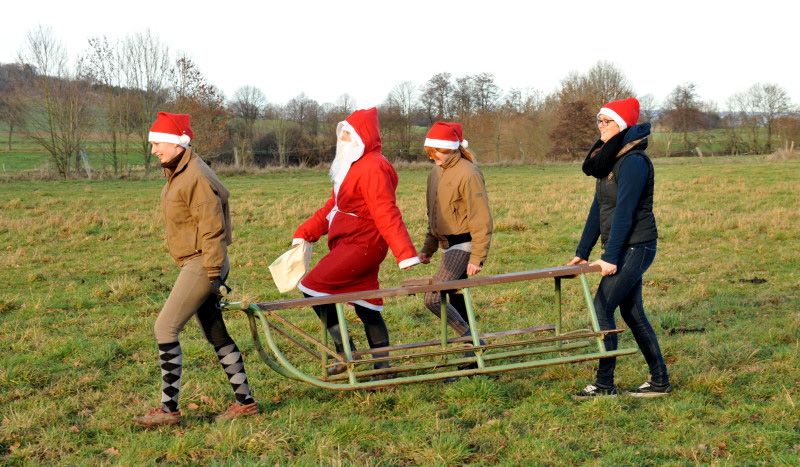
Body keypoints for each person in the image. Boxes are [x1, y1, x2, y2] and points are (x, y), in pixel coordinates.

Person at [133, 112, 258, 428]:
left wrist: (214, 274)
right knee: (215, 331)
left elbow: (212, 228)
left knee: (164, 328)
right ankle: (245, 402)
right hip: (201, 261)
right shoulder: (180, 171)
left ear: (177, 143)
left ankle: (168, 409)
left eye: (158, 143)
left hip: (203, 262)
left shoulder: (195, 176)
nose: (154, 150)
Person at [292, 107, 419, 378]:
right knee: (366, 304)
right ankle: (382, 367)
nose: (344, 140)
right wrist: (306, 231)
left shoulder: (373, 167)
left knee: (311, 287)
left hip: (364, 244)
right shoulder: (351, 166)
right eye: (343, 135)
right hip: (350, 241)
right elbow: (334, 207)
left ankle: (346, 353)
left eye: (350, 134)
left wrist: (404, 253)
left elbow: (386, 210)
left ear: (364, 137)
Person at [568, 97, 672, 399]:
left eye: (606, 121)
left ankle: (604, 384)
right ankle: (659, 380)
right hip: (622, 246)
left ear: (622, 125)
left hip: (635, 246)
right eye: (598, 120)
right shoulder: (611, 159)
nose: (600, 126)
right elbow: (598, 209)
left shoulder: (634, 162)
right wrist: (583, 251)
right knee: (632, 311)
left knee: (602, 307)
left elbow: (624, 212)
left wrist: (610, 258)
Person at [418, 123, 493, 360]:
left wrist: (477, 256)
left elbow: (481, 218)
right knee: (457, 300)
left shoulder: (469, 173)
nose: (434, 157)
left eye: (436, 152)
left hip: (463, 246)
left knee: (432, 298)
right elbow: (435, 215)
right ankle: (470, 360)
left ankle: (474, 341)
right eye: (430, 153)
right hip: (445, 247)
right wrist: (428, 248)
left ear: (450, 148)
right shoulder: (434, 174)